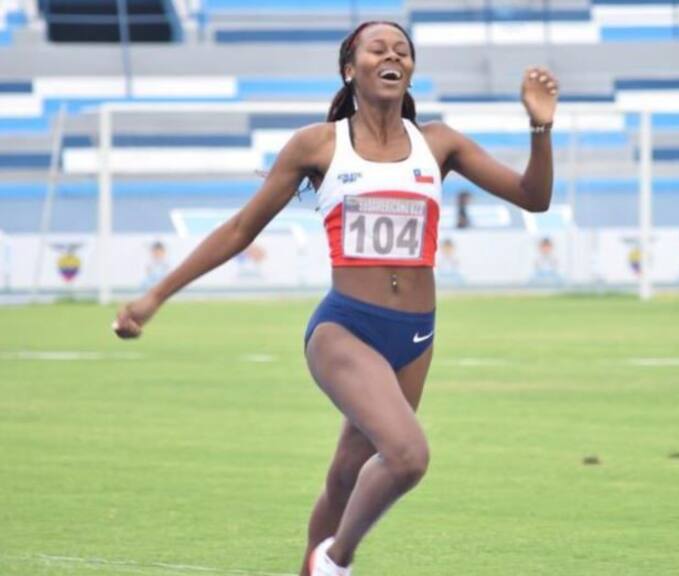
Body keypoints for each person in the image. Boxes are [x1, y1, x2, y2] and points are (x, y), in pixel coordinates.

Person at [112, 20, 557, 576]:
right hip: (345, 330)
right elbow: (239, 229)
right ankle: (334, 562)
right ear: (351, 68)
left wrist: (540, 130)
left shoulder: (438, 142)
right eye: (378, 48)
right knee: (406, 456)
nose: (392, 55)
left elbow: (533, 198)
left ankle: (310, 566)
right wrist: (155, 296)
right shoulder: (319, 145)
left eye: (403, 50)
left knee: (350, 470)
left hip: (416, 335)